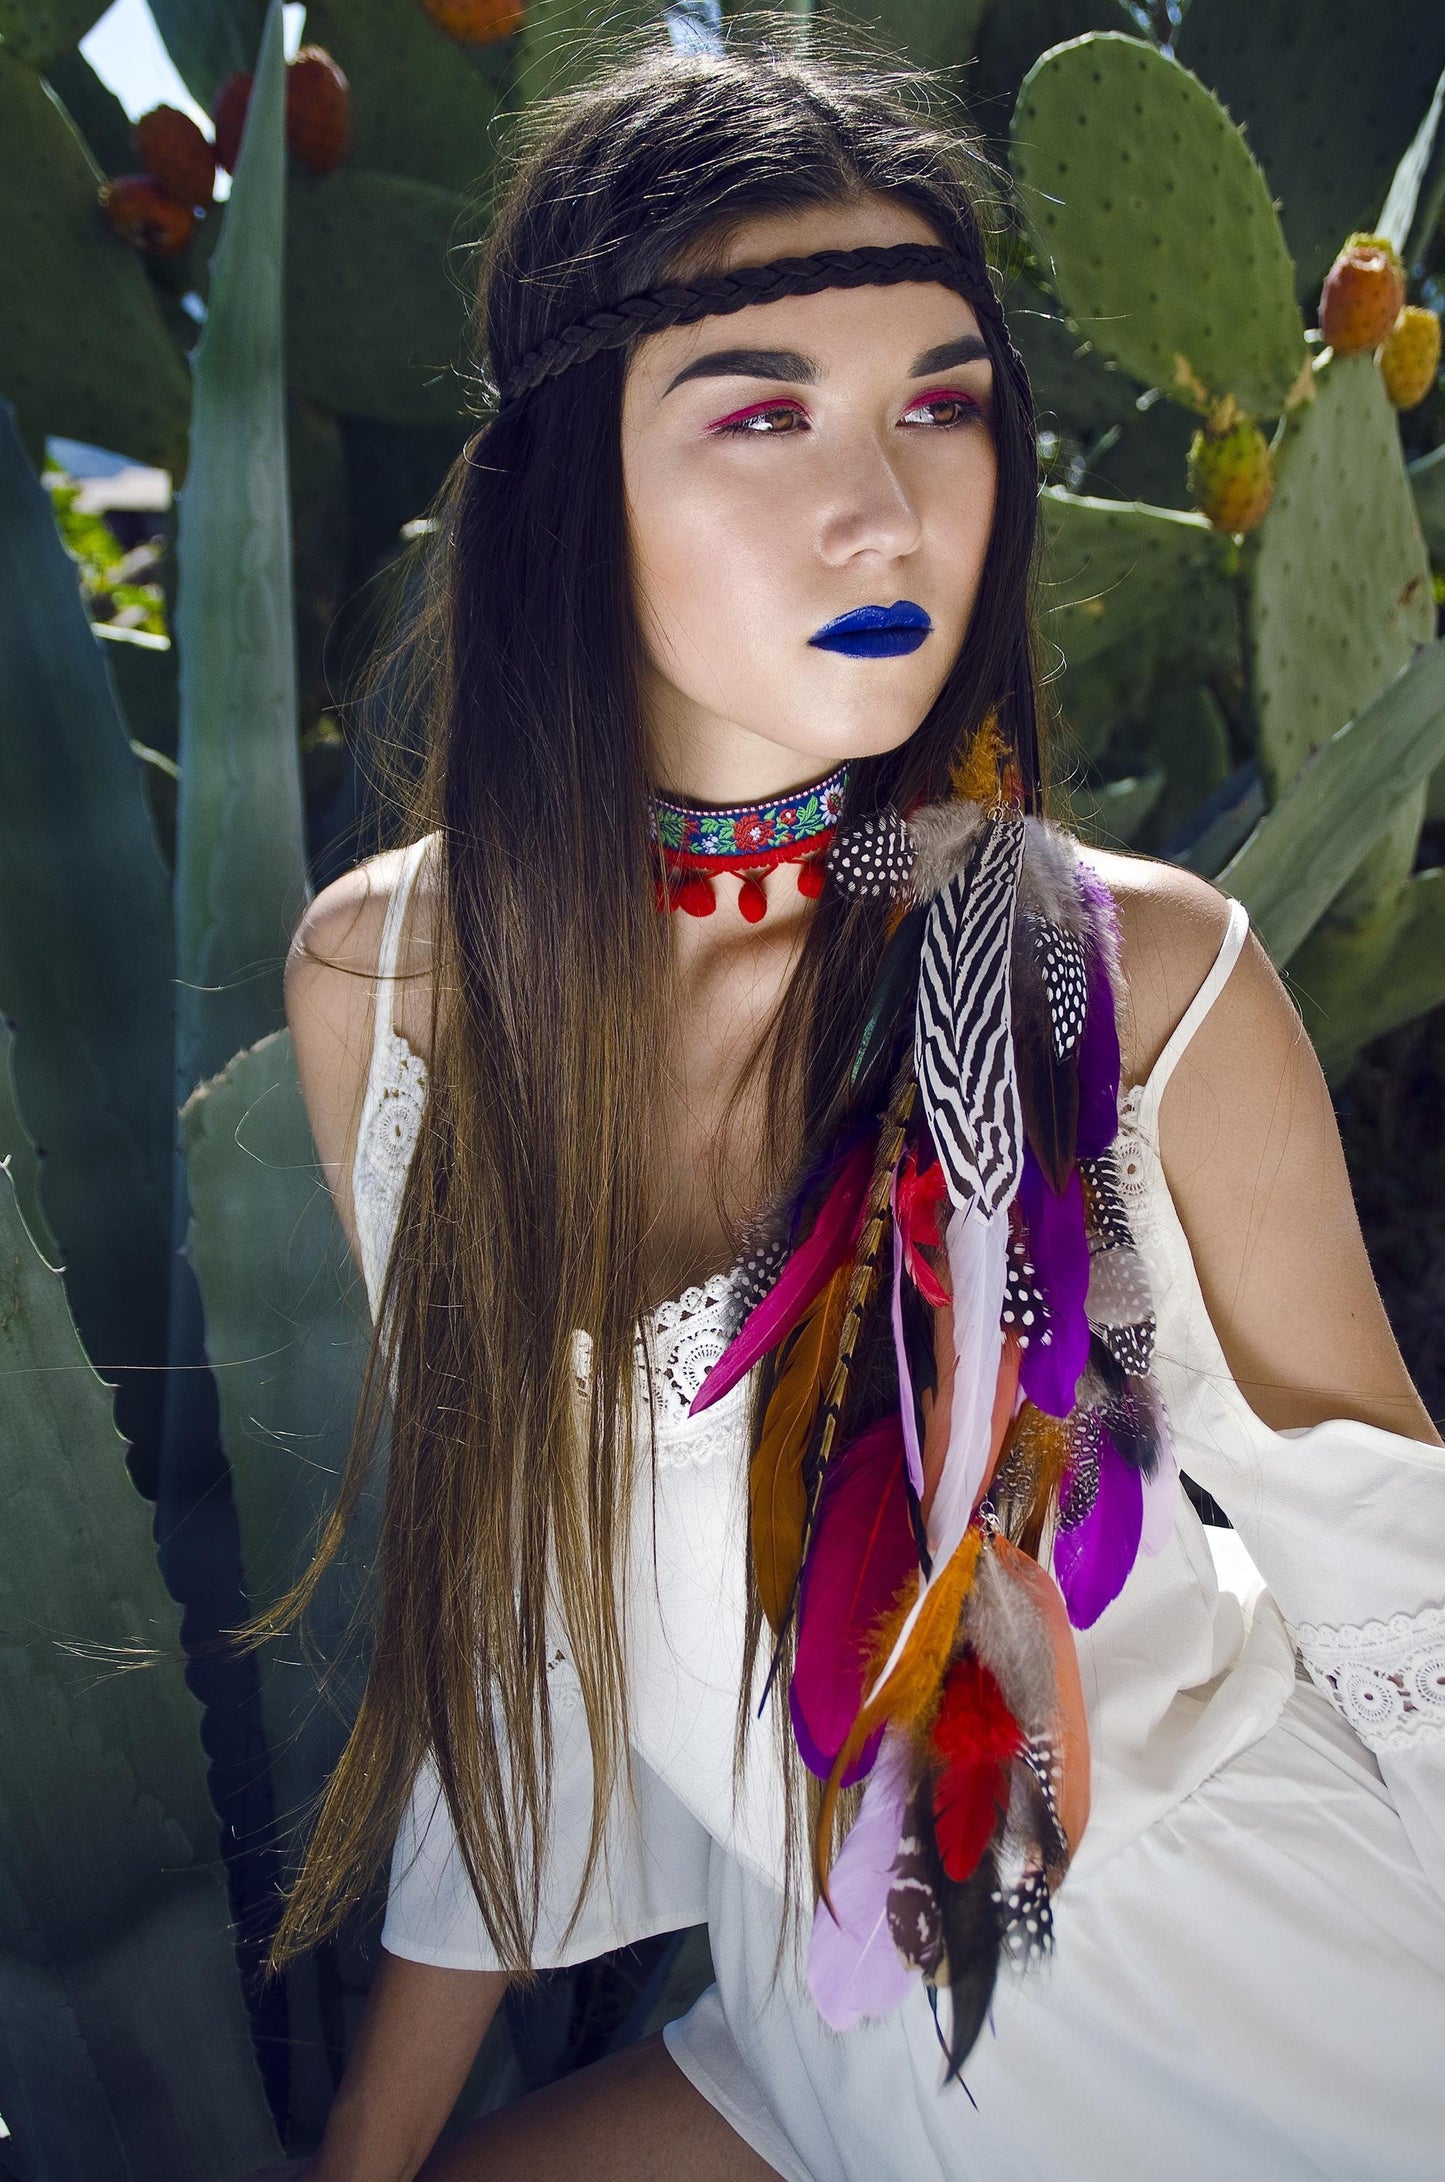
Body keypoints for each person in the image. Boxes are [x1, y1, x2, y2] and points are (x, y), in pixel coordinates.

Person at [244, 32, 1445, 2182]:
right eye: (765, 408)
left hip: (1250, 2007)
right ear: (566, 483)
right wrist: (363, 2141)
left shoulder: (1143, 979)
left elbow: (1406, 1599)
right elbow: (515, 1617)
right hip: (820, 2017)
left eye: (941, 405)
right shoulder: (388, 990)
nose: (887, 504)